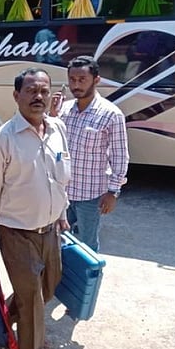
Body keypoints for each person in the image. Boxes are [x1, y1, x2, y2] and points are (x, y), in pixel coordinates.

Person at [0, 68, 71, 349]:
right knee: (32, 305)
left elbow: (59, 178)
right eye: (31, 90)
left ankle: (2, 323)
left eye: (43, 90)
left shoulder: (57, 130)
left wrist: (62, 213)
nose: (38, 96)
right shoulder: (2, 139)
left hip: (50, 230)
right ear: (16, 96)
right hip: (16, 233)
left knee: (47, 288)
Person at [59, 55, 129, 252]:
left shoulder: (110, 114)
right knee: (58, 243)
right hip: (62, 193)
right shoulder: (64, 110)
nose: (76, 85)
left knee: (87, 248)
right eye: (72, 79)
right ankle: (63, 283)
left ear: (96, 80)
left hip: (90, 196)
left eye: (82, 80)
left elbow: (120, 155)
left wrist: (113, 192)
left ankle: (87, 283)